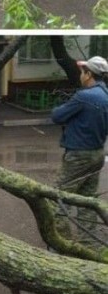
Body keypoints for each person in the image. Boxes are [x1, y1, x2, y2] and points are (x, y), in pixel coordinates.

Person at [50, 55, 108, 243]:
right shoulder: (106, 96)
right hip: (97, 153)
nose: (80, 76)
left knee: (57, 197)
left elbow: (58, 116)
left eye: (82, 72)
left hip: (78, 155)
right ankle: (88, 243)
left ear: (89, 74)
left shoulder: (84, 96)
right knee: (88, 200)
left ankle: (62, 242)